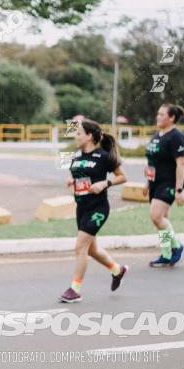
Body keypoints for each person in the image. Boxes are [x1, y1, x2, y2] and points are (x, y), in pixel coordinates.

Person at [59, 119, 128, 303]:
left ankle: (75, 289)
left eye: (79, 133)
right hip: (81, 207)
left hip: (98, 208)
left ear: (89, 136)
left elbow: (122, 177)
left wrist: (105, 183)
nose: (76, 136)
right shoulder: (76, 156)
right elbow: (79, 175)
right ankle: (117, 270)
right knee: (92, 250)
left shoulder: (104, 156)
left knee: (80, 247)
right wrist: (71, 180)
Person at [144, 103, 184, 267]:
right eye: (158, 114)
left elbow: (181, 164)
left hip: (170, 182)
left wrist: (178, 189)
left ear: (172, 118)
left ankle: (177, 246)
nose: (158, 117)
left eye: (162, 114)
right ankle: (166, 254)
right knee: (161, 219)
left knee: (156, 216)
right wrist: (147, 182)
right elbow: (152, 162)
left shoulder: (176, 137)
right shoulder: (156, 136)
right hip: (155, 182)